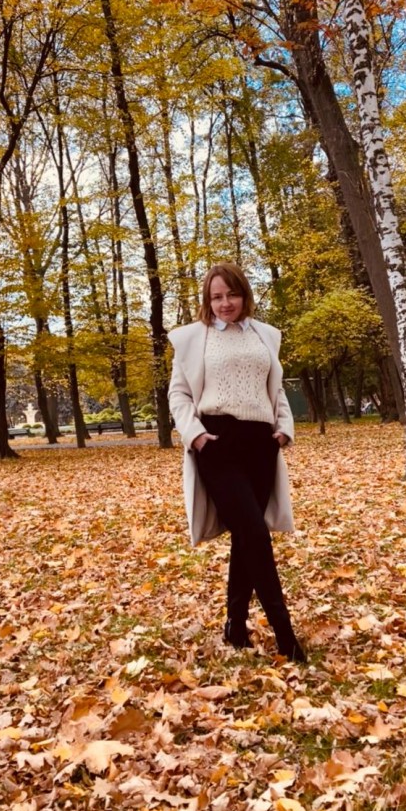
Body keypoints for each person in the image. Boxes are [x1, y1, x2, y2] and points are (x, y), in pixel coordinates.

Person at [168, 261, 306, 662]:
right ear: (206, 300)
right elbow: (179, 394)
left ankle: (235, 625)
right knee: (256, 535)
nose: (224, 303)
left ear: (244, 295)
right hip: (218, 443)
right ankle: (285, 635)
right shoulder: (194, 338)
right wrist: (196, 436)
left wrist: (284, 429)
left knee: (247, 537)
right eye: (216, 297)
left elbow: (275, 389)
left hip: (260, 444)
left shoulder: (265, 335)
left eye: (231, 294)